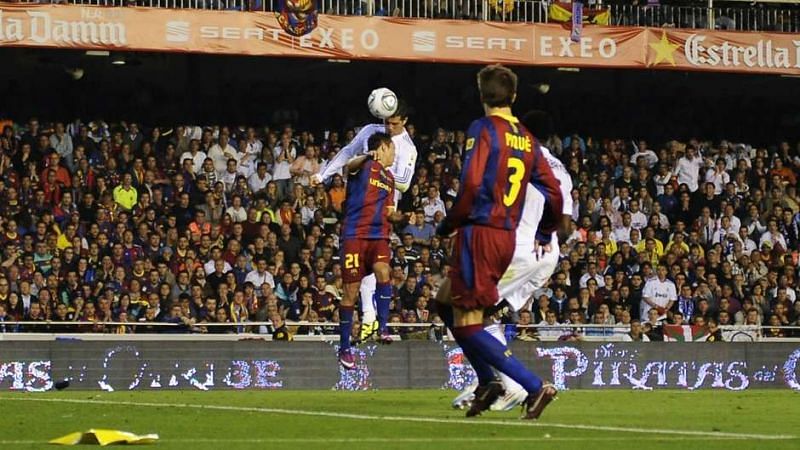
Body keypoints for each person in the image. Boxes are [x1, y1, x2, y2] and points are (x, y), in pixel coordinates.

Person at [435, 65, 563, 420]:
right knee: (444, 302)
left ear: (481, 96)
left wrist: (451, 222)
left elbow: (472, 184)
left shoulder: (484, 129)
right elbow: (554, 192)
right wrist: (545, 231)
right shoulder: (526, 138)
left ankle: (534, 386)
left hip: (480, 232)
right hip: (506, 235)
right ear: (514, 96)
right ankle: (487, 381)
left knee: (469, 323)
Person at [455, 108, 573, 412]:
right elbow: (567, 225)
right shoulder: (559, 168)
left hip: (514, 249)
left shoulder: (516, 157)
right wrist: (545, 238)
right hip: (547, 254)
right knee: (484, 315)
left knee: (464, 314)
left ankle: (514, 385)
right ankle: (489, 382)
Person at [311, 98, 418, 342]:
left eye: (394, 123)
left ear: (405, 122)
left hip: (384, 207)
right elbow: (349, 153)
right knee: (358, 277)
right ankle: (368, 319)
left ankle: (374, 320)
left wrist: (378, 165)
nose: (388, 127)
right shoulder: (372, 131)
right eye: (386, 122)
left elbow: (403, 183)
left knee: (380, 270)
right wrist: (324, 173)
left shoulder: (408, 149)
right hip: (360, 204)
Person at [336, 133, 398, 369]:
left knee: (384, 271)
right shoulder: (364, 165)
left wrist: (403, 216)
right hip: (354, 234)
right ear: (383, 147)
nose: (394, 155)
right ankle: (344, 347)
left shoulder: (390, 179)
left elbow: (391, 212)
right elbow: (348, 166)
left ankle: (382, 327)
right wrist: (364, 156)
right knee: (350, 291)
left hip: (379, 235)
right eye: (392, 150)